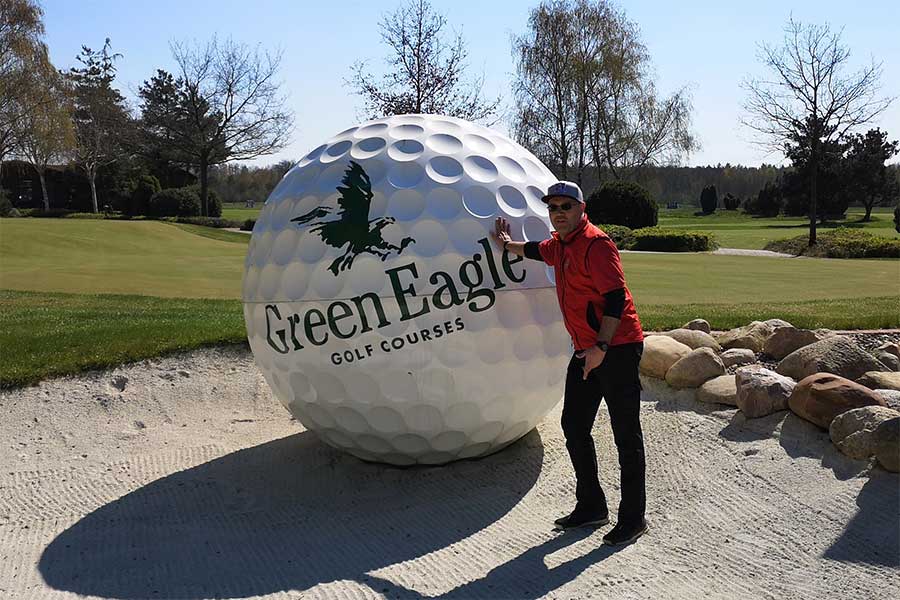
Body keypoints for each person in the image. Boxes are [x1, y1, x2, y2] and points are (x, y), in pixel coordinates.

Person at [491, 180, 648, 546]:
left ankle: (633, 518)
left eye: (565, 206)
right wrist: (506, 244)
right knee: (574, 425)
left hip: (618, 348)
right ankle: (592, 505)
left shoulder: (597, 245)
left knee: (626, 434)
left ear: (581, 208)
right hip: (586, 349)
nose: (558, 212)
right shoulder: (560, 246)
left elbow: (615, 301)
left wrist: (601, 348)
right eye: (553, 207)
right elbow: (537, 250)